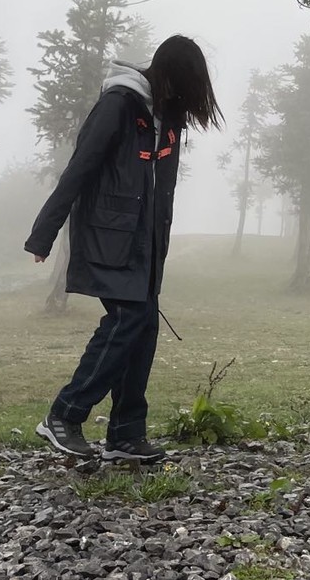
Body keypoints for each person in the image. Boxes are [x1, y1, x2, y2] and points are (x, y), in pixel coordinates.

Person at [25, 35, 222, 463]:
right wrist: (44, 233)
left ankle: (126, 435)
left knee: (144, 326)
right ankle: (64, 414)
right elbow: (80, 167)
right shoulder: (119, 104)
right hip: (107, 237)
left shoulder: (166, 116)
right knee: (128, 319)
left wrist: (158, 247)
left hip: (145, 246)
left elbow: (158, 190)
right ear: (168, 75)